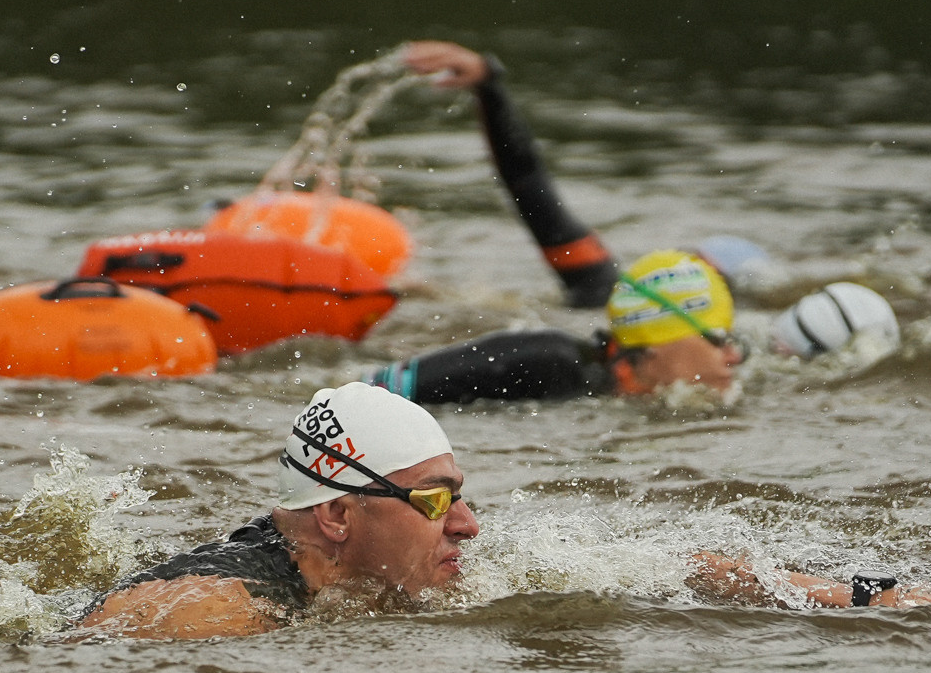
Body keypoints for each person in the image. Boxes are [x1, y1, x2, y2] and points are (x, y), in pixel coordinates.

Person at [77, 383, 931, 640]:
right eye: (435, 501)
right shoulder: (227, 602)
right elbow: (93, 653)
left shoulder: (422, 572)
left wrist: (879, 599)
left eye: (460, 497)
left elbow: (684, 568)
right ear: (341, 518)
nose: (467, 526)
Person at [358, 40, 900, 407]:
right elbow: (531, 190)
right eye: (720, 339)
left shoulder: (703, 361)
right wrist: (490, 84)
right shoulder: (544, 361)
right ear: (665, 341)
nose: (736, 353)